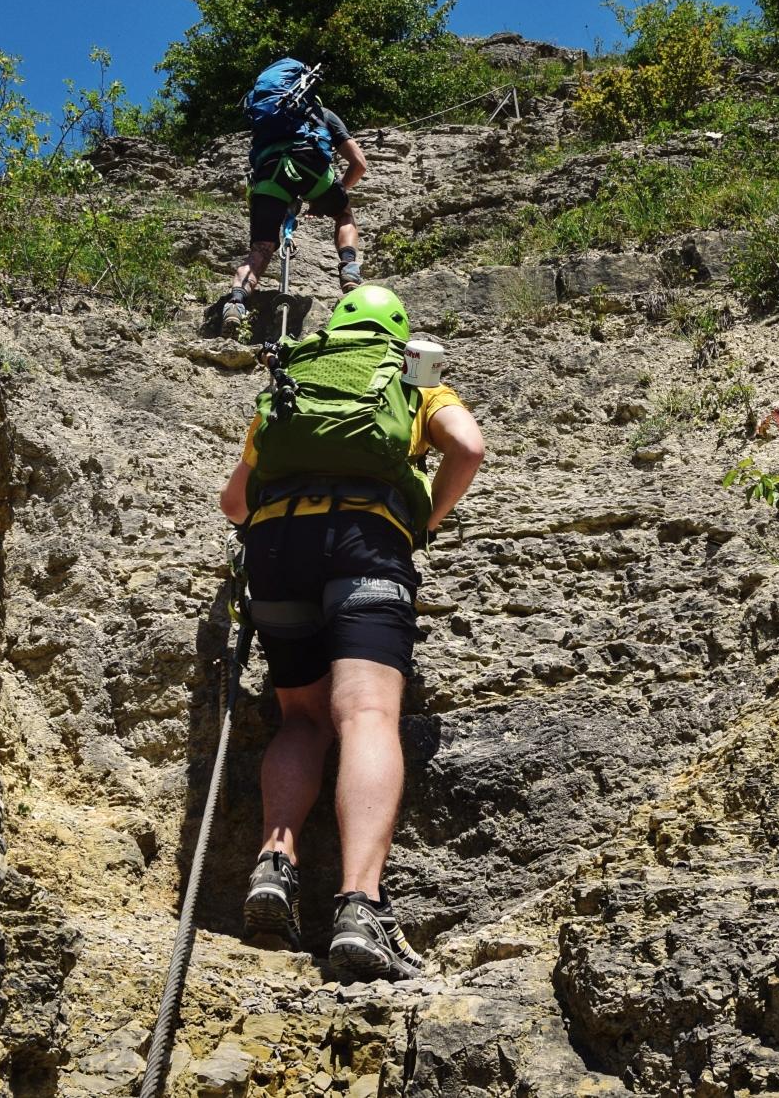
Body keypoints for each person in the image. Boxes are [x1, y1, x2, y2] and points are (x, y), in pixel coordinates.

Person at [218, 286, 485, 981]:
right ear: (399, 335)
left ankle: (274, 866)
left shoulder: (295, 378)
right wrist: (425, 520)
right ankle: (359, 906)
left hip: (276, 548)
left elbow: (233, 502)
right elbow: (468, 448)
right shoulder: (412, 379)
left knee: (302, 718)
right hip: (367, 539)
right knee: (366, 713)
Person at [216, 59, 371, 338]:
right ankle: (348, 269)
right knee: (344, 214)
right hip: (309, 163)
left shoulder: (267, 120)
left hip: (269, 171)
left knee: (261, 248)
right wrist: (333, 196)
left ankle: (236, 303)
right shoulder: (322, 113)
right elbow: (359, 164)